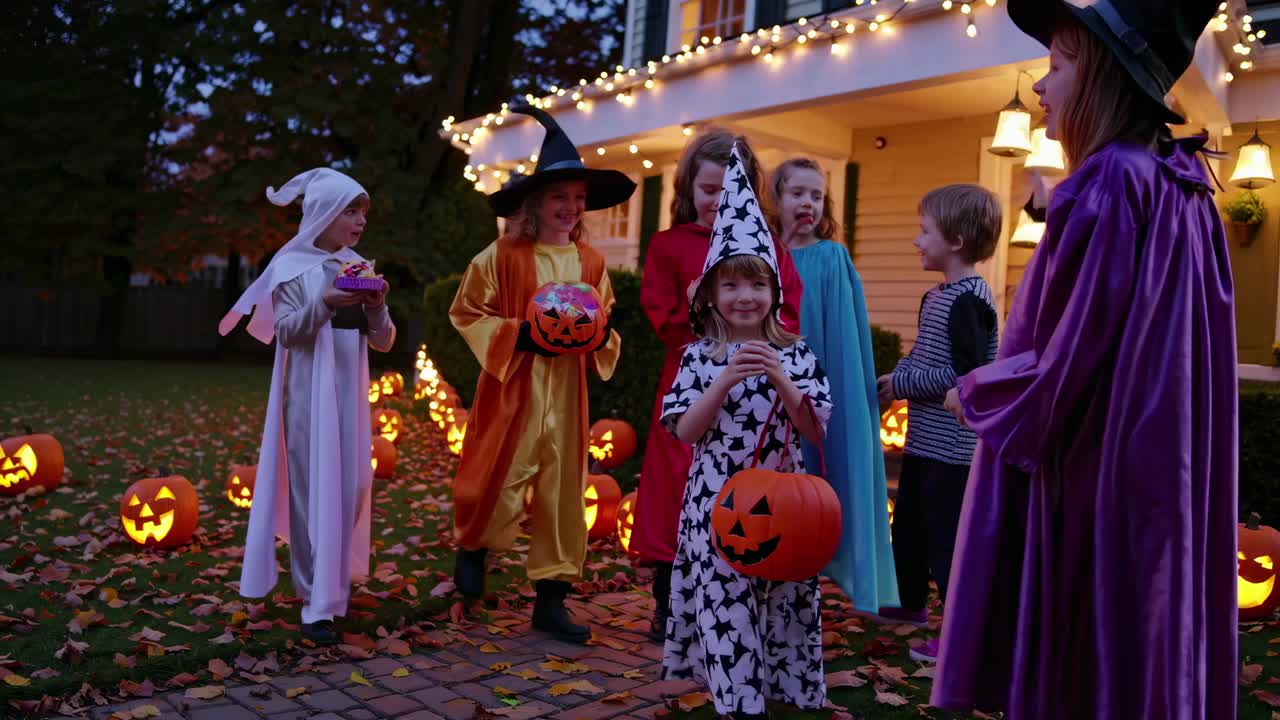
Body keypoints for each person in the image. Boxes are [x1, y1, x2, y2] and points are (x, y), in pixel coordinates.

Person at [930, 1, 1238, 717]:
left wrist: (978, 392)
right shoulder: (1180, 183)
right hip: (1161, 463)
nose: (1042, 85)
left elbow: (1068, 353)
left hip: (1098, 465)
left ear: (1101, 77)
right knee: (1141, 630)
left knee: (1086, 643)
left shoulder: (1107, 182)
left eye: (1058, 65)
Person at [448, 102, 632, 643]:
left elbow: (604, 317)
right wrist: (517, 334)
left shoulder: (591, 262)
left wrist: (596, 335)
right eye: (559, 198)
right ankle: (473, 547)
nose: (570, 208)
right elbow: (468, 311)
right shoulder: (503, 255)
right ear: (534, 202)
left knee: (561, 494)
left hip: (567, 392)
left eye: (578, 199)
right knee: (497, 475)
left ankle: (552, 599)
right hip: (514, 387)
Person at [661, 142, 832, 720]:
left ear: (774, 293)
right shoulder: (698, 358)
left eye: (757, 286)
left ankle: (787, 693)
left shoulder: (798, 354)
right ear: (711, 295)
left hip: (787, 502)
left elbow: (815, 429)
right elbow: (686, 432)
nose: (745, 297)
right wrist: (723, 381)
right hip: (718, 503)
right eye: (731, 286)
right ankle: (740, 703)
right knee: (726, 603)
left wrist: (782, 379)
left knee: (785, 598)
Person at [637, 129, 804, 638]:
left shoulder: (770, 248)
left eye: (728, 190)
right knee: (676, 485)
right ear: (688, 189)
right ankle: (669, 600)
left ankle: (742, 594)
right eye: (707, 190)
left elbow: (788, 315)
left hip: (754, 386)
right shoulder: (669, 246)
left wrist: (758, 339)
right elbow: (662, 320)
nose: (716, 201)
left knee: (743, 490)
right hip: (690, 382)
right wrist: (695, 310)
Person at [220, 168, 395, 646]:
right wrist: (326, 302)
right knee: (311, 491)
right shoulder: (292, 267)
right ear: (324, 213)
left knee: (354, 484)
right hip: (307, 394)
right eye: (350, 211)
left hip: (349, 394)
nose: (360, 221)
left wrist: (377, 306)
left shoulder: (358, 266)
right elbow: (289, 332)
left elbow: (383, 341)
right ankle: (315, 600)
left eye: (363, 212)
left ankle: (331, 580)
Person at [873, 184, 1001, 662]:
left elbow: (965, 376)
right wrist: (895, 378)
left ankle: (959, 636)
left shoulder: (970, 300)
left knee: (947, 540)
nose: (916, 240)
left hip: (954, 449)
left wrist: (904, 384)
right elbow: (924, 356)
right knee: (909, 525)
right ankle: (910, 603)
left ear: (956, 241)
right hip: (923, 443)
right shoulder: (938, 296)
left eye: (924, 231)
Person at [770, 157, 898, 615]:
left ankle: (814, 578)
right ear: (775, 199)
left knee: (815, 479)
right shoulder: (764, 256)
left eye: (817, 196)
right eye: (797, 193)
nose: (808, 203)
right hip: (770, 386)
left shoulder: (831, 257)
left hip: (815, 389)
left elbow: (843, 340)